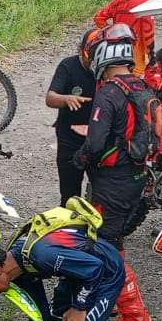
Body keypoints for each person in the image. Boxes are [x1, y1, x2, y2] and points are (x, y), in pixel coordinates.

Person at [76, 24, 154, 321]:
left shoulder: (109, 91)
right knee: (113, 241)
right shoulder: (142, 87)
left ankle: (134, 314)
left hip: (113, 182)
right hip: (136, 177)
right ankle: (110, 300)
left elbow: (94, 144)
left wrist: (79, 159)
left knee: (105, 246)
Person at [45, 28, 102, 205]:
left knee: (102, 191)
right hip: (69, 136)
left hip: (97, 138)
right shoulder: (68, 66)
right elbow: (50, 98)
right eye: (89, 56)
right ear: (82, 50)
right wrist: (67, 99)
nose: (91, 62)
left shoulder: (108, 71)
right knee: (70, 194)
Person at [94, 0, 155, 77]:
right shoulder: (146, 4)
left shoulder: (119, 0)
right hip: (134, 63)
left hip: (115, 59)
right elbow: (148, 34)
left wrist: (111, 34)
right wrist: (152, 59)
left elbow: (99, 18)